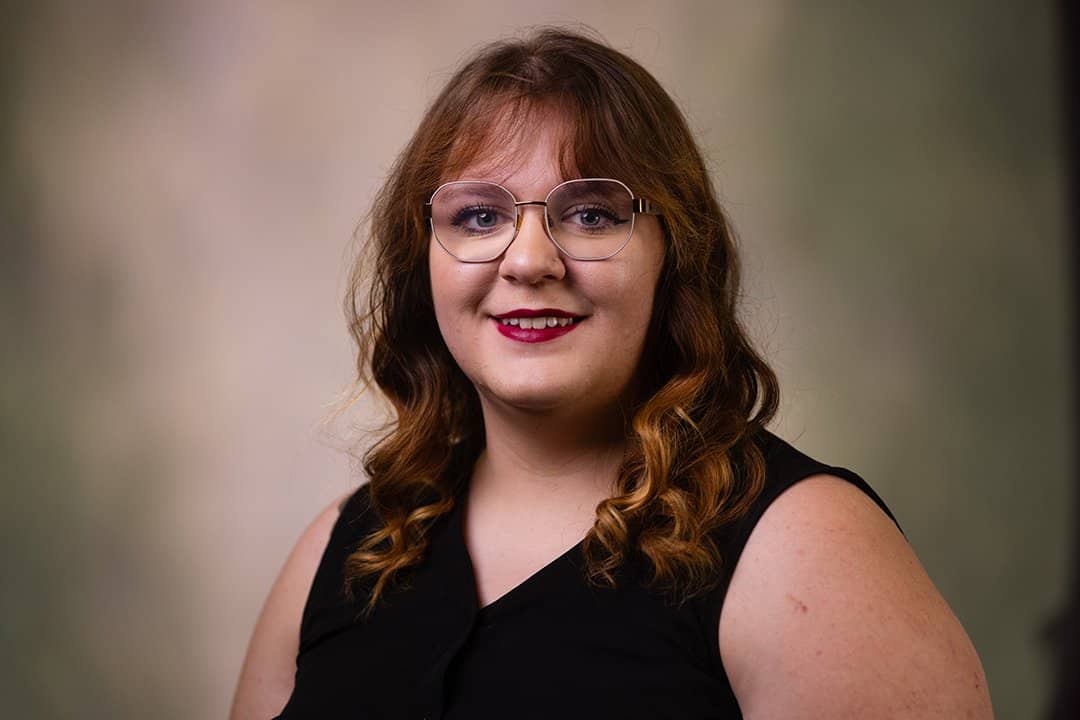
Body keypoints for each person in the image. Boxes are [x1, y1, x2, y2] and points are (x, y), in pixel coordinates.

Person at [230, 27, 993, 719]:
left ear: (675, 254)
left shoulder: (804, 545)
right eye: (479, 216)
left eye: (592, 214)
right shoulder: (344, 548)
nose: (529, 261)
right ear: (423, 261)